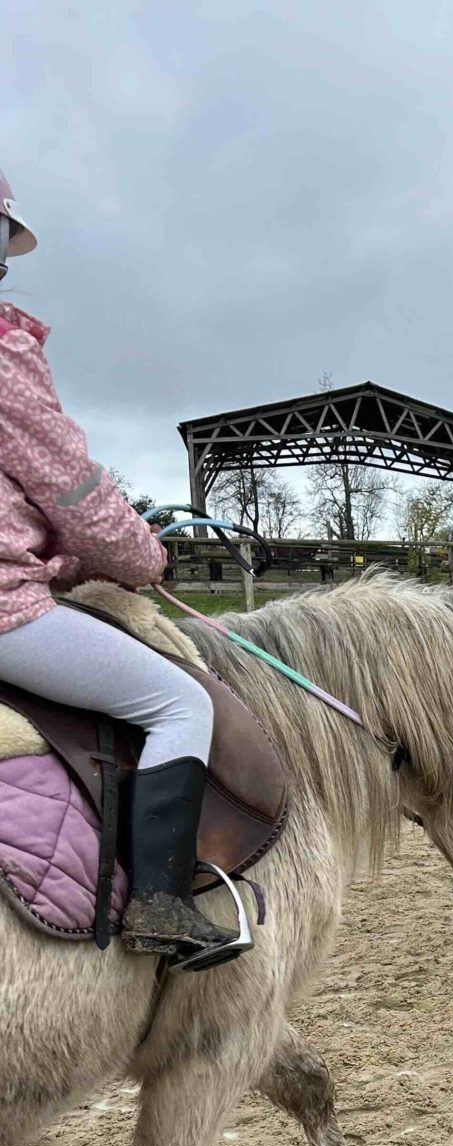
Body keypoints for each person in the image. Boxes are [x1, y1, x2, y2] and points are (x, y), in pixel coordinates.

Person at [0, 166, 237, 963]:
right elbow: (76, 493)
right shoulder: (3, 356)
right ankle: (162, 906)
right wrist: (143, 555)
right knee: (180, 707)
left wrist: (55, 557)